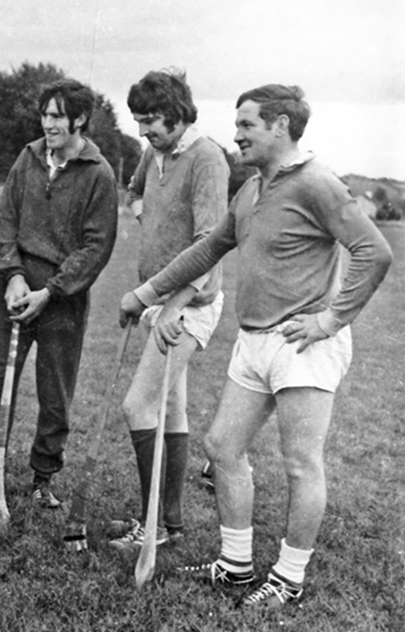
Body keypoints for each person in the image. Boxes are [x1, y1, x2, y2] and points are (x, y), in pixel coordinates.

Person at [119, 84, 391, 609]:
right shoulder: (250, 190)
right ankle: (236, 566)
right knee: (222, 446)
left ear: (281, 126)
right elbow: (207, 250)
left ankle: (288, 578)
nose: (237, 134)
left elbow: (373, 252)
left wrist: (330, 320)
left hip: (304, 346)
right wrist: (146, 294)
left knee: (300, 462)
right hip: (253, 339)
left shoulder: (318, 183)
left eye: (247, 124)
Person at [0, 79, 118, 509]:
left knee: (55, 393)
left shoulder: (99, 173)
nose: (48, 124)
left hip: (63, 299)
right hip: (15, 291)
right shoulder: (28, 157)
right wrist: (14, 276)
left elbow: (96, 247)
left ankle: (43, 478)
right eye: (44, 115)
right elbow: (4, 223)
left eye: (57, 116)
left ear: (79, 119)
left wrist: (51, 292)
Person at [108, 70, 229, 553]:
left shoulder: (207, 159)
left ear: (177, 113)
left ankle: (152, 523)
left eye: (151, 121)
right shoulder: (152, 153)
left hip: (191, 304)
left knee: (137, 405)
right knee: (171, 410)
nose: (143, 132)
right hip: (161, 301)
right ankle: (168, 522)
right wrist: (151, 223)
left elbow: (211, 245)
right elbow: (135, 192)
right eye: (138, 121)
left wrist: (172, 304)